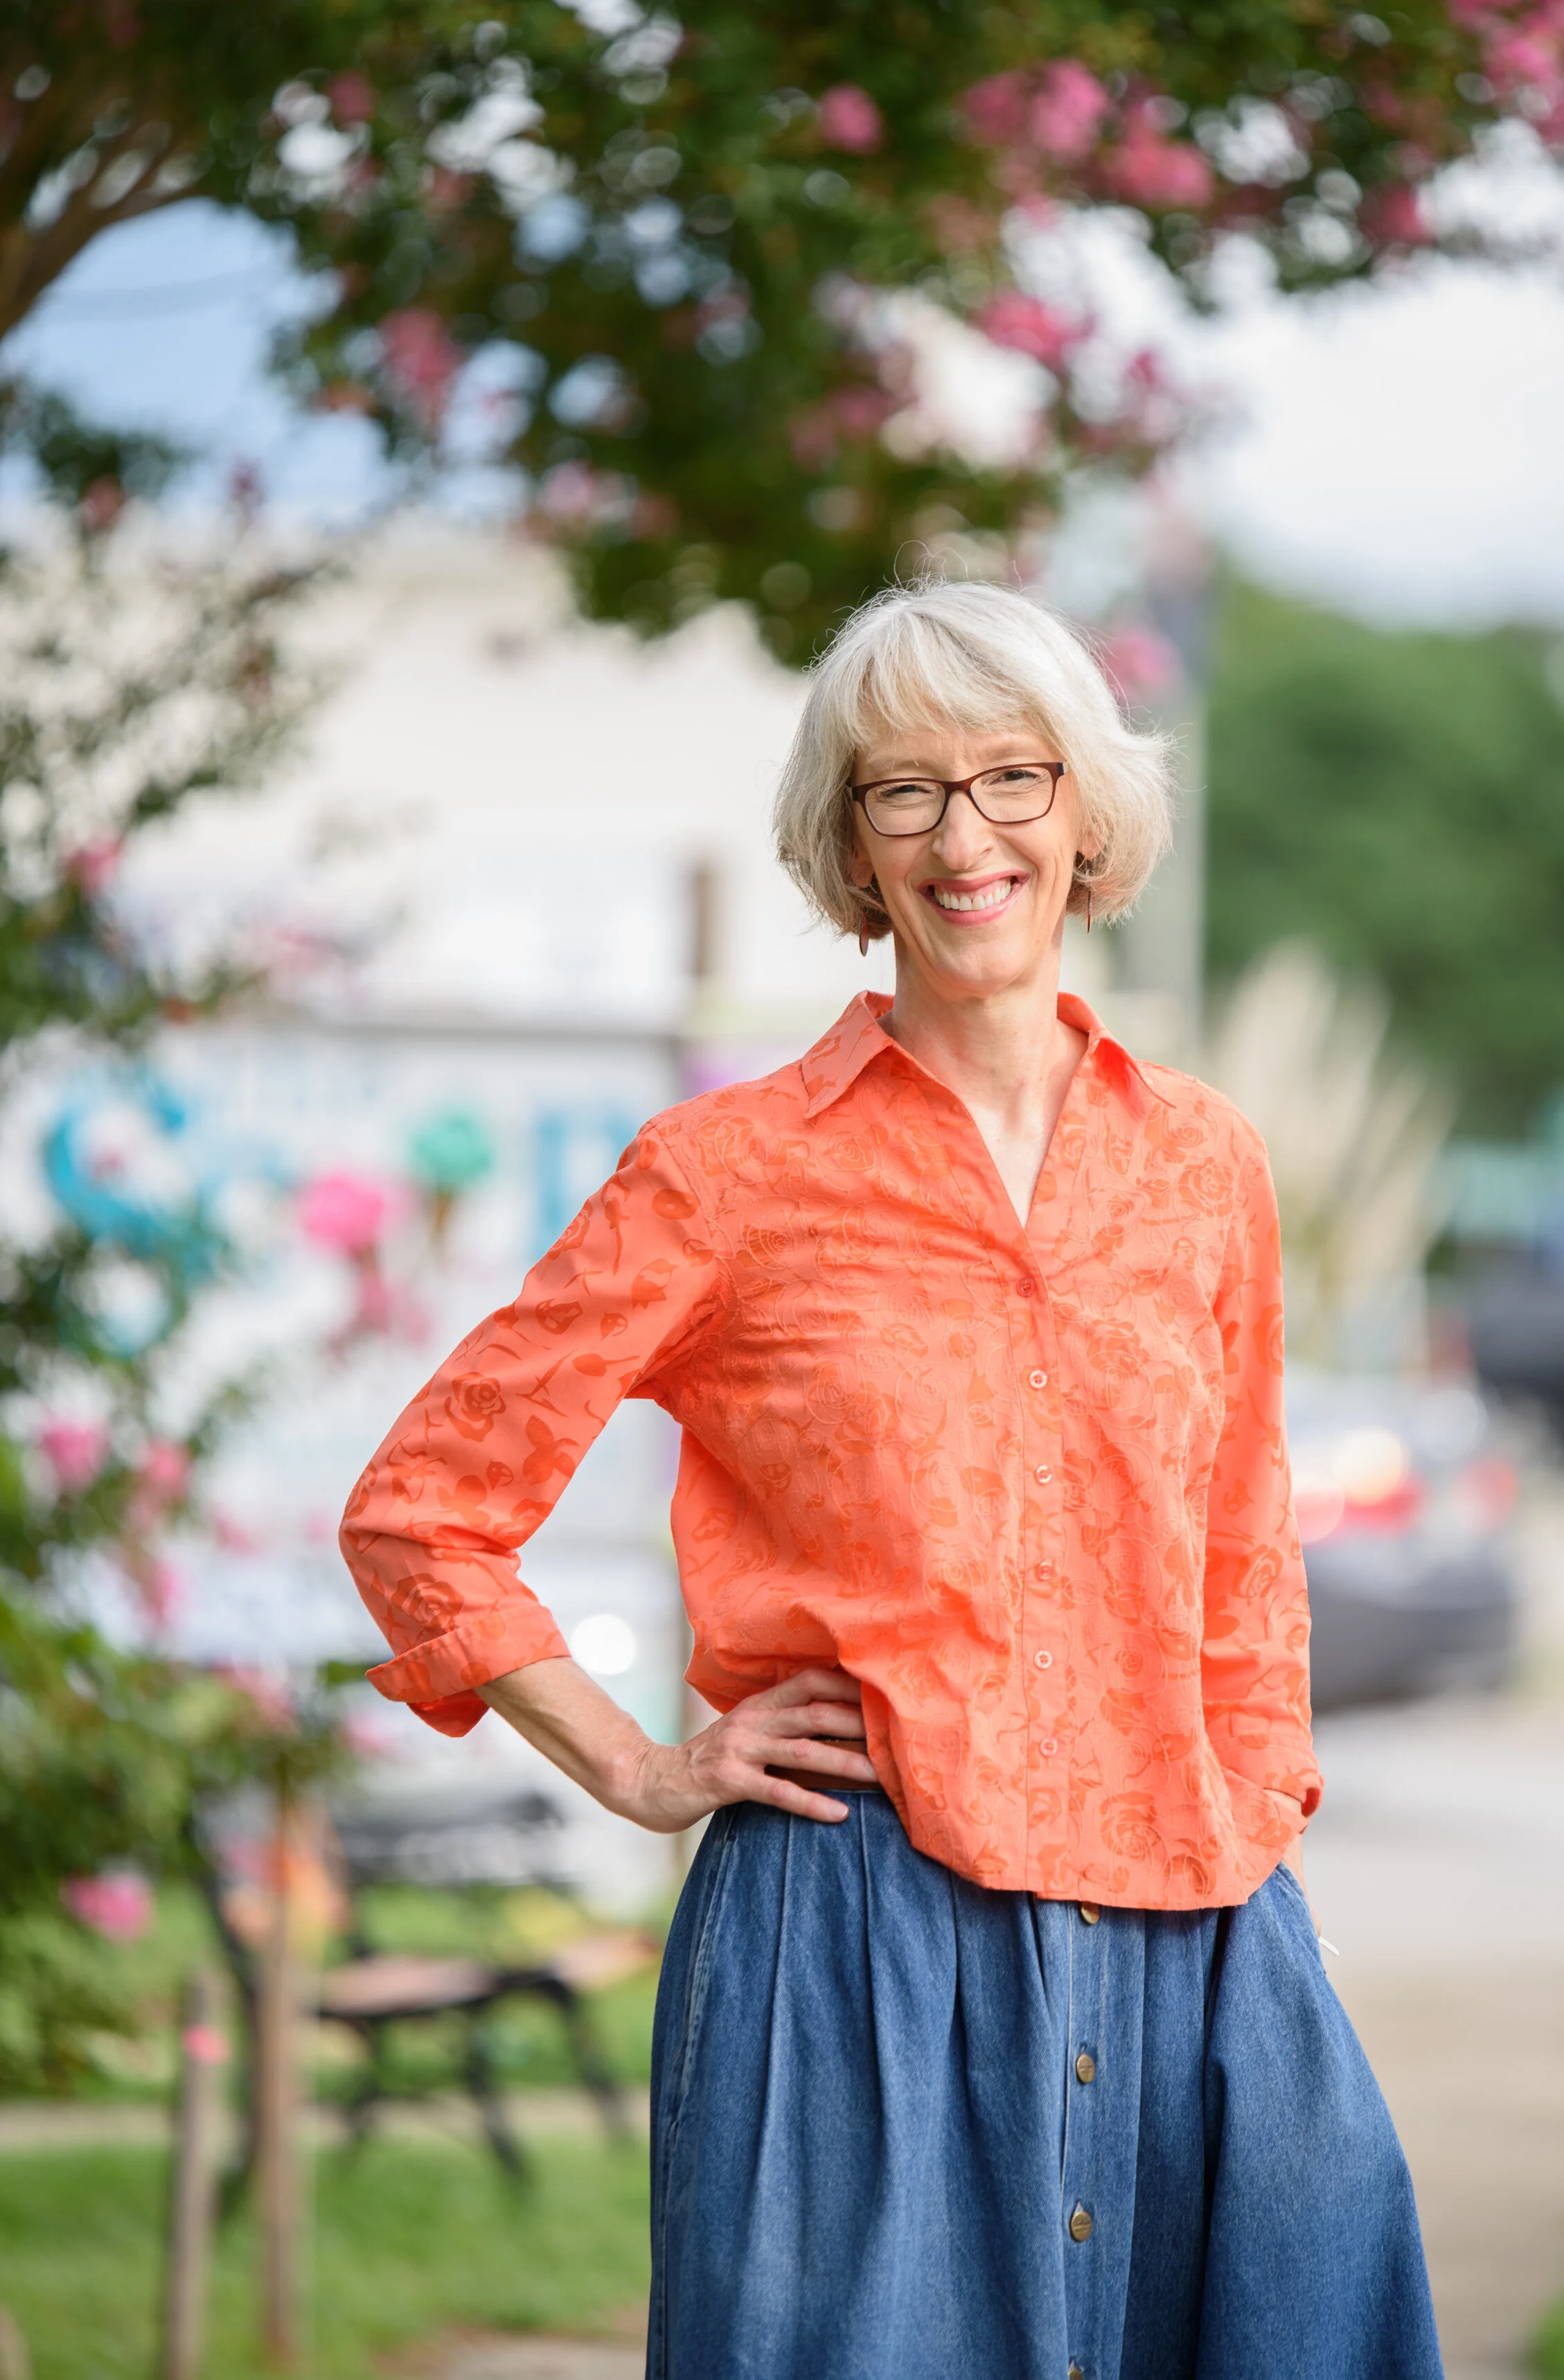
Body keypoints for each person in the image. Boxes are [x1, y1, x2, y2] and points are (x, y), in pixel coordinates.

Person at [339, 579, 1443, 2380]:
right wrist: (635, 1766)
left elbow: (1244, 1554)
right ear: (850, 845)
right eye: (903, 791)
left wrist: (1252, 1830)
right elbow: (423, 1510)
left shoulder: (1202, 1165)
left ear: (1084, 811)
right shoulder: (725, 1173)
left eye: (1010, 777)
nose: (963, 836)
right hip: (852, 1941)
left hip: (1201, 1930)